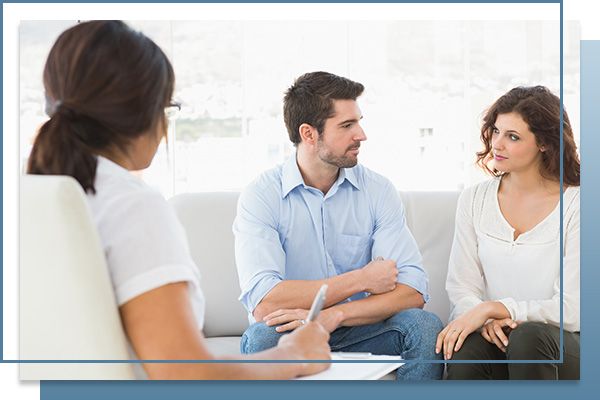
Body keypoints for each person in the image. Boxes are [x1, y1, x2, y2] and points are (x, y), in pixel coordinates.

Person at [27, 20, 331, 380]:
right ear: (145, 111)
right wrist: (293, 355)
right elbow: (184, 374)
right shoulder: (131, 205)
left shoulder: (33, 192)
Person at [233, 71, 444, 380]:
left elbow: (412, 292)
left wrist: (335, 315)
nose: (361, 134)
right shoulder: (262, 195)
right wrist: (361, 279)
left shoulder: (377, 190)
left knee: (423, 327)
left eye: (358, 121)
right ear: (308, 134)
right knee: (262, 339)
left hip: (362, 326)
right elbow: (266, 303)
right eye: (347, 126)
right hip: (293, 331)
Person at [437, 86, 580, 380]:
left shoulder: (579, 204)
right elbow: (462, 287)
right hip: (495, 335)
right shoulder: (474, 199)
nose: (497, 144)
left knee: (528, 338)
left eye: (513, 137)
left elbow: (574, 307)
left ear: (544, 143)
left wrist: (498, 309)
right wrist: (484, 317)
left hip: (564, 343)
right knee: (468, 347)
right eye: (496, 131)